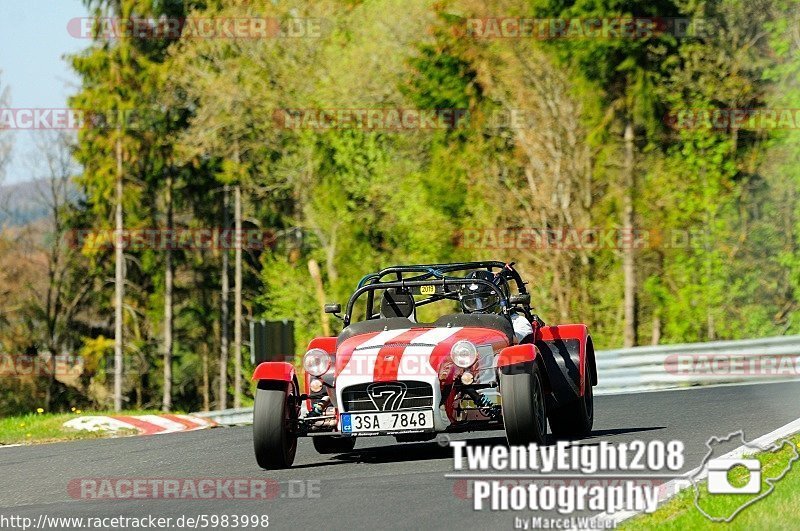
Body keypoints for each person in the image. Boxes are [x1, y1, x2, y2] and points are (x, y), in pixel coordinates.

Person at [458, 270, 534, 344]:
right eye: (472, 303)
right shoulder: (464, 328)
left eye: (485, 301)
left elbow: (516, 339)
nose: (478, 308)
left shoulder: (518, 322)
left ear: (499, 298)